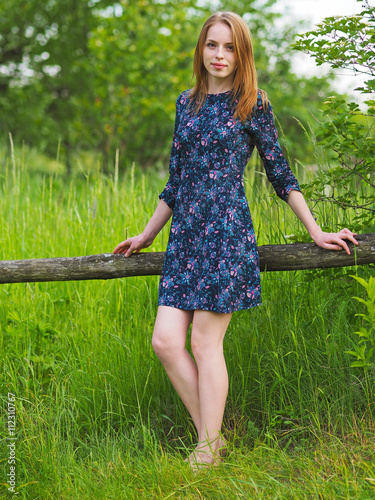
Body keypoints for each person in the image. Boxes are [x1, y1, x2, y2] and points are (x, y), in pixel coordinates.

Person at [113, 11, 358, 469]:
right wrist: (147, 234)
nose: (219, 55)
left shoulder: (253, 104)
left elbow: (280, 174)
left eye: (229, 47)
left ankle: (206, 450)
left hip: (226, 234)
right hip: (186, 238)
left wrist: (316, 229)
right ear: (200, 50)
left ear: (240, 53)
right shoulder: (186, 104)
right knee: (165, 342)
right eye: (212, 45)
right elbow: (176, 182)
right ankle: (214, 437)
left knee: (205, 344)